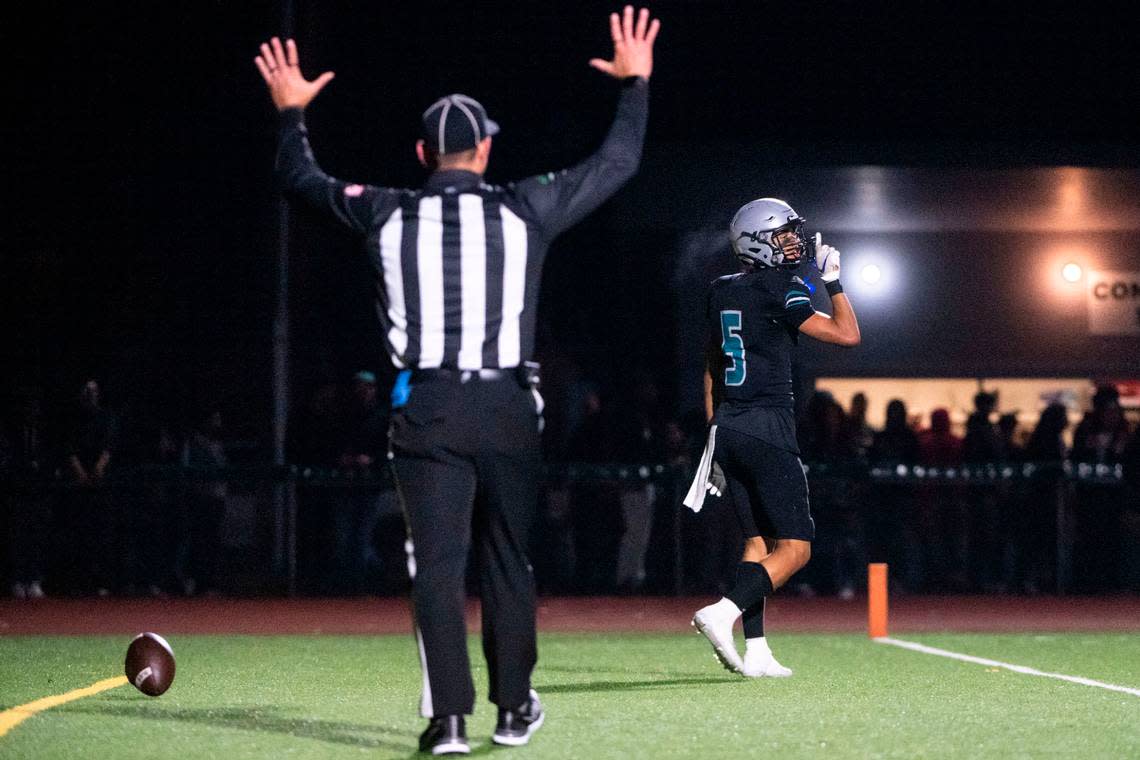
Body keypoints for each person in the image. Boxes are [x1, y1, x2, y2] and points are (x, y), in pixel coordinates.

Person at [256, 6, 658, 753]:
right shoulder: (523, 208)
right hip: (506, 403)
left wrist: (290, 114)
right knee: (508, 556)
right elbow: (617, 164)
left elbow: (299, 178)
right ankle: (513, 710)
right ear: (485, 149)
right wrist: (634, 86)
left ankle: (448, 721)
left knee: (436, 566)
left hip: (428, 406)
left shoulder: (385, 213)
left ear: (421, 152)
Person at [684, 198, 860, 677]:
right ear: (756, 242)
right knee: (797, 547)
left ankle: (757, 649)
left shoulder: (721, 290)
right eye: (782, 234)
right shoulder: (783, 284)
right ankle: (722, 613)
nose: (793, 242)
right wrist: (834, 283)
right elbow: (847, 334)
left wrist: (713, 434)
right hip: (767, 427)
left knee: (756, 542)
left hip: (728, 426)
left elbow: (711, 366)